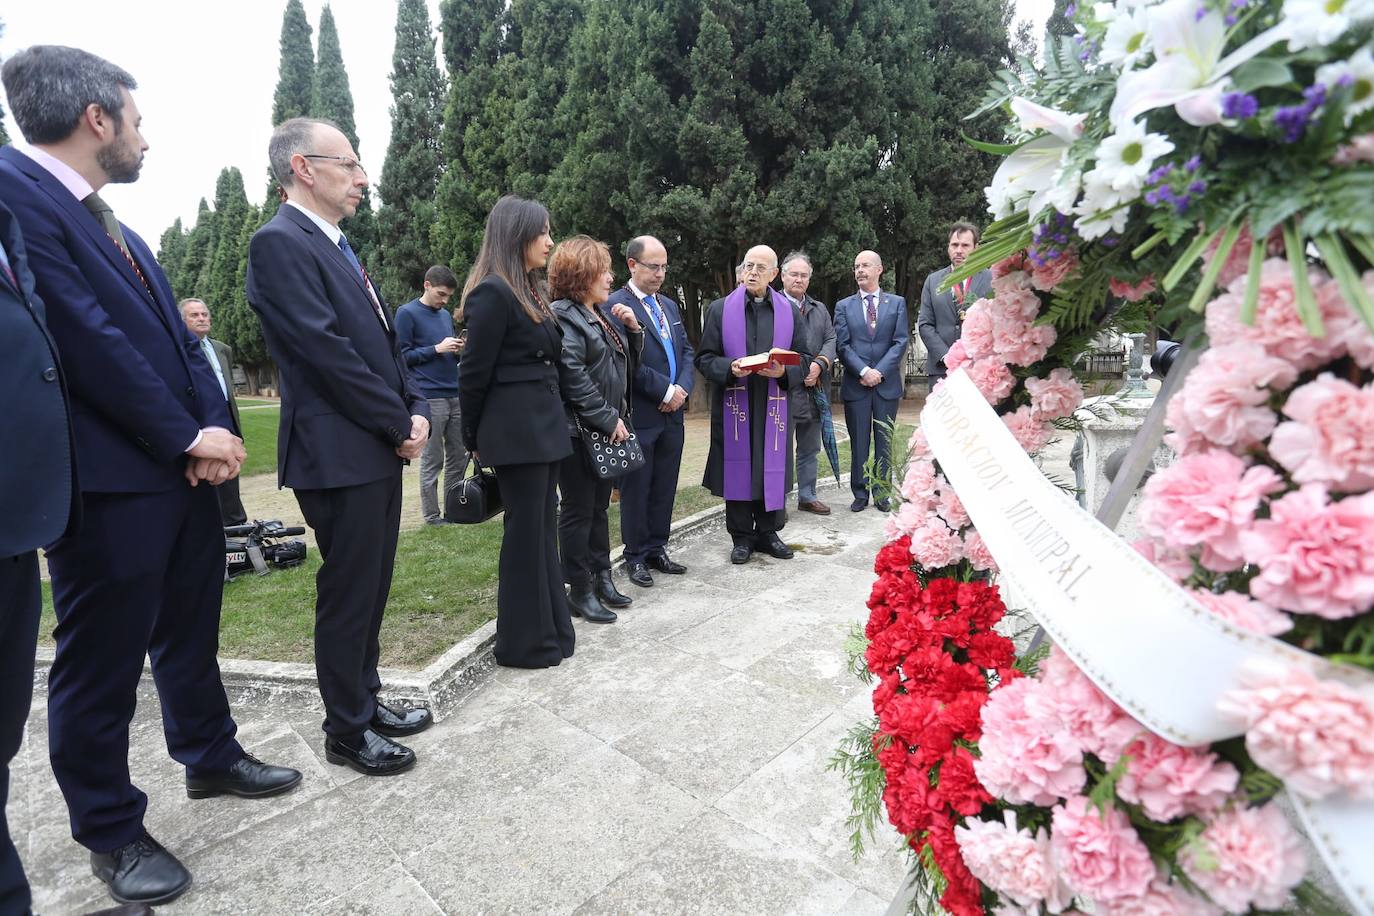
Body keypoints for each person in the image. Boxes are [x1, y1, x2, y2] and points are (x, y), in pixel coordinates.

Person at [0, 46, 300, 907]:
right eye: (136, 120)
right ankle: (111, 829)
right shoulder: (19, 195)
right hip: (111, 482)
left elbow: (171, 339)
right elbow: (89, 339)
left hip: (182, 474)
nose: (144, 138)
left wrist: (218, 429)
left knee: (189, 629)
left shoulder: (108, 221)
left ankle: (209, 756)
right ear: (97, 118)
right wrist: (184, 437)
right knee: (100, 663)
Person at [246, 116, 433, 777]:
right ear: (303, 167)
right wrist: (395, 422)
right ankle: (347, 731)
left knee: (374, 583)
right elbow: (327, 353)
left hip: (374, 443)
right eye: (349, 165)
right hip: (338, 449)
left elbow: (382, 345)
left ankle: (367, 700)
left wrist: (413, 410)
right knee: (350, 590)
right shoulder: (280, 244)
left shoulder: (336, 243)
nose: (361, 179)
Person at [459, 195, 575, 668]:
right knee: (526, 536)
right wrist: (474, 438)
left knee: (541, 532)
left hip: (542, 431)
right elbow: (473, 373)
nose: (550, 241)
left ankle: (551, 632)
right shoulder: (492, 291)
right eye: (543, 232)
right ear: (516, 235)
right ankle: (524, 644)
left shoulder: (528, 291)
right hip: (515, 436)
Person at [550, 236, 644, 624]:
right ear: (581, 275)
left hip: (602, 431)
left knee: (599, 509)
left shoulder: (599, 314)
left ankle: (602, 576)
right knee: (577, 511)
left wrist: (633, 333)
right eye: (603, 270)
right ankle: (580, 588)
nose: (611, 277)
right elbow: (572, 376)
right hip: (577, 432)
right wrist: (608, 418)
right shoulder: (564, 315)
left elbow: (620, 371)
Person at [695, 245, 808, 564]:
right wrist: (728, 368)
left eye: (761, 268)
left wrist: (785, 371)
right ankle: (742, 537)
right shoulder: (720, 310)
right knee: (739, 467)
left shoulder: (789, 311)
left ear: (774, 275)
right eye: (748, 266)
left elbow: (806, 357)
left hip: (774, 405)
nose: (753, 272)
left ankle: (769, 533)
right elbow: (704, 358)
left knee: (770, 464)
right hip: (736, 402)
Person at [604, 236, 695, 591]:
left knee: (665, 485)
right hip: (641, 414)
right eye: (653, 267)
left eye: (664, 267)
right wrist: (665, 391)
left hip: (673, 415)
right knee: (637, 489)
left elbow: (687, 350)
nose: (660, 274)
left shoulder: (668, 306)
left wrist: (682, 390)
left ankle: (658, 547)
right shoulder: (615, 305)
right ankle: (635, 556)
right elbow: (626, 363)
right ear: (631, 265)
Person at [834, 250, 909, 513]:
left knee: (884, 442)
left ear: (880, 269)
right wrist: (864, 371)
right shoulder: (844, 306)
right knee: (859, 442)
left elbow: (900, 341)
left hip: (886, 386)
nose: (860, 271)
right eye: (856, 266)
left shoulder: (897, 303)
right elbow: (842, 346)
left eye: (865, 265)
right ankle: (860, 492)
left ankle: (882, 493)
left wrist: (879, 372)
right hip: (857, 386)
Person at [395, 265, 470, 526]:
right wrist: (436, 349)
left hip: (454, 392)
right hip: (429, 396)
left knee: (458, 457)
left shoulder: (445, 315)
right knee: (433, 458)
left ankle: (454, 510)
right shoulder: (406, 314)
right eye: (441, 294)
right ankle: (431, 515)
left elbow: (442, 352)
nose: (445, 300)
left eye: (449, 296)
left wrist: (456, 349)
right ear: (426, 285)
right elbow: (400, 358)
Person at [179, 297, 248, 525]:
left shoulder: (222, 350)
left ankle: (236, 525)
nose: (201, 318)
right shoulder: (178, 350)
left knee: (230, 472)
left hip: (226, 418)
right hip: (200, 423)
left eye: (204, 314)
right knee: (205, 479)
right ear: (182, 321)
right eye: (194, 315)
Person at [780, 251, 836, 515]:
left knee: (810, 447)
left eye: (804, 275)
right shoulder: (773, 304)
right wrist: (797, 369)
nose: (799, 279)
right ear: (782, 275)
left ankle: (807, 495)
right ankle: (777, 498)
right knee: (780, 448)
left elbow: (831, 339)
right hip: (783, 388)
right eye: (794, 274)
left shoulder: (819, 308)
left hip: (815, 387)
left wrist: (819, 364)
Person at [918, 221, 992, 383]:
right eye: (954, 245)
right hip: (941, 368)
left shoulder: (990, 279)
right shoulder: (933, 281)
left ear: (976, 248)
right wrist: (947, 356)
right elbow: (925, 324)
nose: (958, 250)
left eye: (965, 245)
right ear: (948, 247)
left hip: (980, 368)